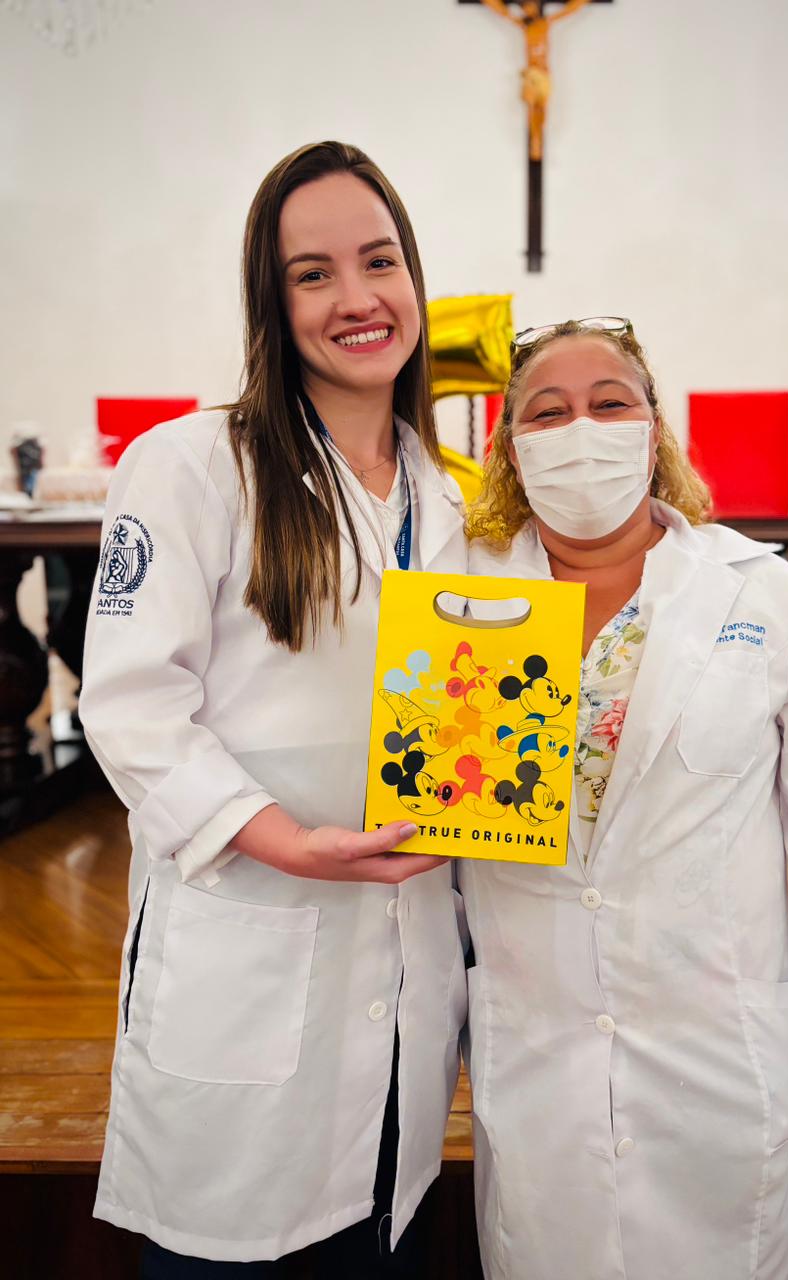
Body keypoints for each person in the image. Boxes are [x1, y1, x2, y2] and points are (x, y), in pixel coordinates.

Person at [80, 142, 468, 1276]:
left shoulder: (454, 496)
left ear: (415, 278)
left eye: (379, 261)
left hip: (405, 986)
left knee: (378, 1238)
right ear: (272, 298)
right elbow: (133, 706)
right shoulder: (192, 464)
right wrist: (284, 840)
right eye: (313, 273)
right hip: (246, 962)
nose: (357, 298)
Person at [458, 317, 788, 1280]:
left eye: (609, 403)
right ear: (509, 448)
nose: (582, 429)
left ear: (655, 430)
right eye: (548, 412)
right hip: (542, 1046)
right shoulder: (455, 600)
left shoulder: (761, 594)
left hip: (722, 1047)